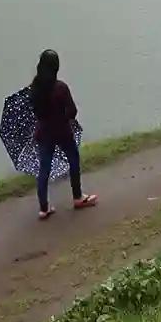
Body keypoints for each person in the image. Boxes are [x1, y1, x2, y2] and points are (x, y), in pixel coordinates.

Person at [31, 49, 97, 219]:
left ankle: (44, 208)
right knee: (73, 160)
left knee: (44, 169)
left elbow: (36, 112)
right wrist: (64, 117)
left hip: (44, 133)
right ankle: (78, 197)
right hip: (62, 132)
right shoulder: (61, 88)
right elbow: (72, 111)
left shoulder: (35, 87)